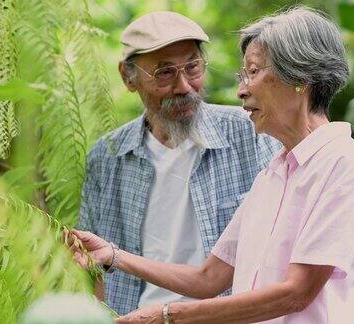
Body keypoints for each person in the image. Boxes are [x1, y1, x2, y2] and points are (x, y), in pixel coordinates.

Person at [71, 7, 354, 323]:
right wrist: (113, 255)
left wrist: (167, 315)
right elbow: (209, 278)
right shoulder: (272, 175)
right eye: (243, 75)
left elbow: (297, 292)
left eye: (254, 72)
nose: (241, 90)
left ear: (299, 78)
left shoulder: (342, 164)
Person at [77, 11, 280, 316]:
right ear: (127, 77)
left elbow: (278, 248)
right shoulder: (107, 156)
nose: (184, 86)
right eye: (164, 73)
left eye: (193, 67)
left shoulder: (250, 135)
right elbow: (90, 265)